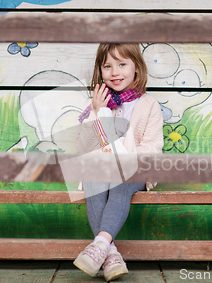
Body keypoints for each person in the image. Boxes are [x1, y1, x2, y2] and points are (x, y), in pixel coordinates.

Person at [73, 43, 163, 281]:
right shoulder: (96, 105)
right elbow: (83, 147)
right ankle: (109, 253)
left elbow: (152, 148)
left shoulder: (149, 105)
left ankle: (99, 243)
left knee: (121, 183)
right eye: (107, 66)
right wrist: (97, 111)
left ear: (136, 68)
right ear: (100, 71)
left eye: (122, 64)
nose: (115, 72)